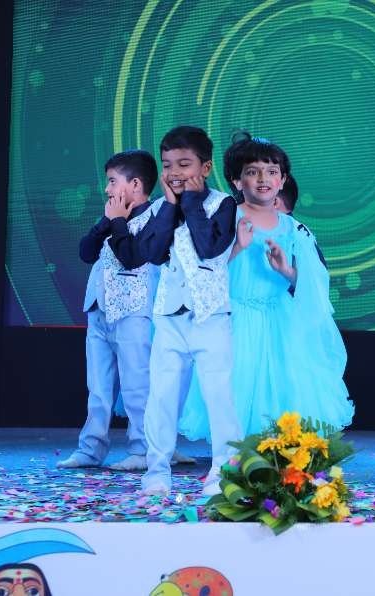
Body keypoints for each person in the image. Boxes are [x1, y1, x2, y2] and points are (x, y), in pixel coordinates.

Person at [178, 134, 352, 440]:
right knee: (237, 383)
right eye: (253, 171)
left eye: (272, 172)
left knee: (285, 382)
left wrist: (287, 271)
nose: (263, 179)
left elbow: (313, 283)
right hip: (234, 317)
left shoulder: (294, 229)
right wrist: (237, 248)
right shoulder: (226, 217)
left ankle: (279, 448)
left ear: (282, 180)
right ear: (237, 181)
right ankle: (234, 450)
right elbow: (200, 272)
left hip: (280, 320)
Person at [138, 126, 242, 497]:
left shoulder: (223, 205)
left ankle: (224, 472)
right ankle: (156, 470)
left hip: (211, 316)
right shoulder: (160, 208)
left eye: (184, 164)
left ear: (206, 167)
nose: (175, 172)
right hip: (169, 317)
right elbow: (152, 254)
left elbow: (209, 248)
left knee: (219, 394)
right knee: (162, 396)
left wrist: (192, 203)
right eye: (168, 165)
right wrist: (170, 206)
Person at [57, 150, 159, 471]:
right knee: (98, 388)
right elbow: (86, 252)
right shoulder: (110, 215)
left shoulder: (156, 217)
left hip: (133, 311)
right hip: (99, 309)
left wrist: (117, 222)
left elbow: (132, 258)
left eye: (113, 181)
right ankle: (91, 449)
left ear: (136, 184)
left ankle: (143, 449)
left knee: (136, 385)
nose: (107, 189)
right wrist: (107, 221)